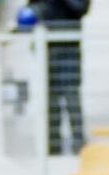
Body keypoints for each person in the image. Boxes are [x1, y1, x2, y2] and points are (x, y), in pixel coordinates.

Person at [22, 1, 90, 155]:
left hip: (69, 47)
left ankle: (79, 145)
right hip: (47, 47)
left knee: (71, 96)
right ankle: (53, 147)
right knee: (50, 99)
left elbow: (81, 8)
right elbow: (32, 9)